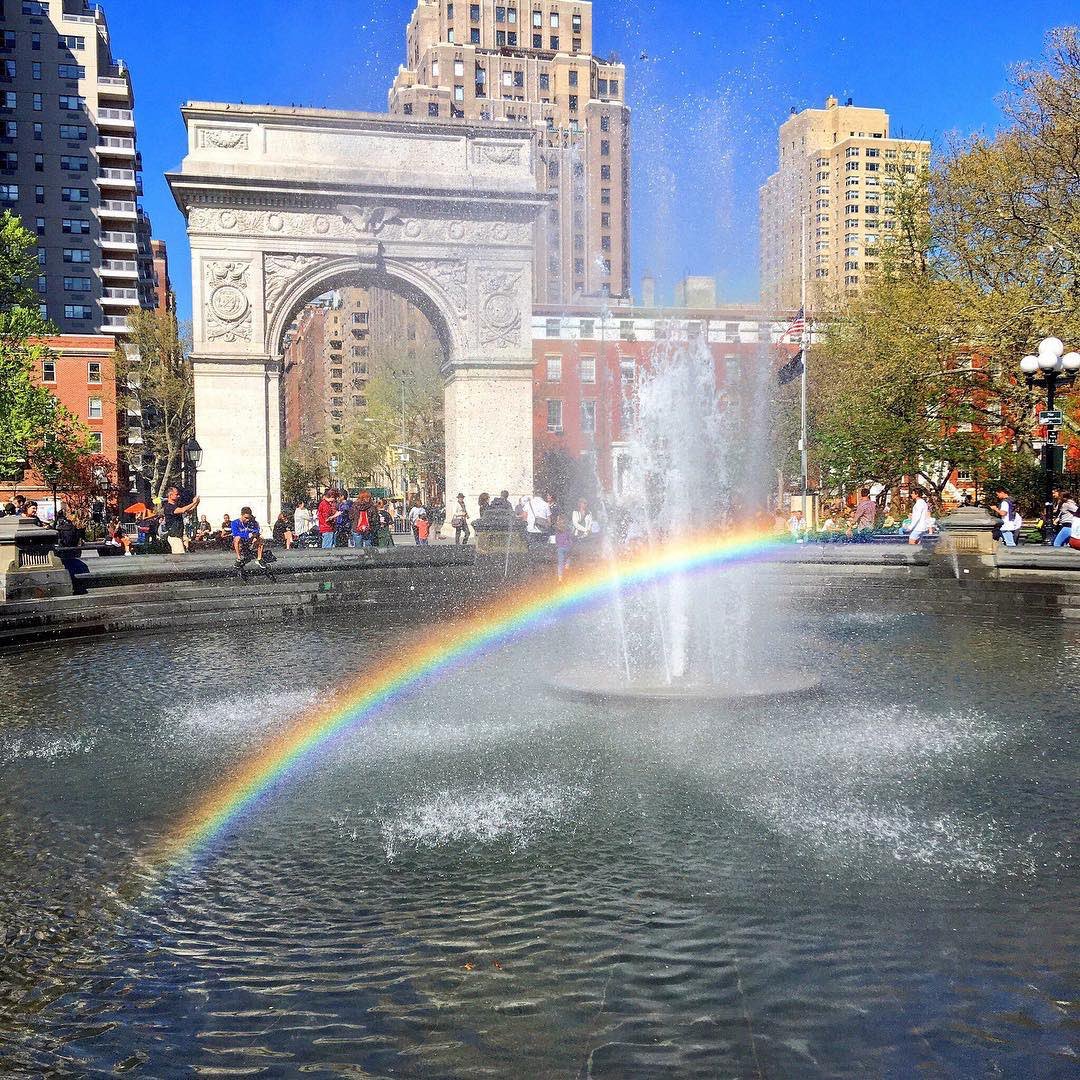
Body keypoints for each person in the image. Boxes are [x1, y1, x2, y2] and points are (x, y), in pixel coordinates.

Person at [230, 506, 269, 580]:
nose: (247, 520)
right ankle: (239, 558)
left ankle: (259, 559)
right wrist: (248, 535)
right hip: (240, 544)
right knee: (237, 538)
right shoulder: (234, 523)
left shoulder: (253, 522)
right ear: (241, 515)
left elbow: (257, 531)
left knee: (261, 539)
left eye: (249, 518)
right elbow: (235, 533)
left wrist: (255, 536)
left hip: (249, 542)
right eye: (245, 518)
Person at [161, 486, 200, 555]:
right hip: (174, 536)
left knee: (185, 554)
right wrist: (193, 503)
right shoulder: (168, 507)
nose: (178, 496)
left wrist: (196, 503)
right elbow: (183, 510)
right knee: (179, 557)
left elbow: (188, 511)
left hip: (180, 534)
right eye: (176, 494)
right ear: (170, 495)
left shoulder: (176, 505)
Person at [554, 514, 573, 580]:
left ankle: (560, 578)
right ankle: (567, 565)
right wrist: (570, 545)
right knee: (569, 556)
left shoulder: (557, 530)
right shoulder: (567, 530)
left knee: (560, 562)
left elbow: (556, 540)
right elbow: (570, 539)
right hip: (567, 547)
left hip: (559, 548)